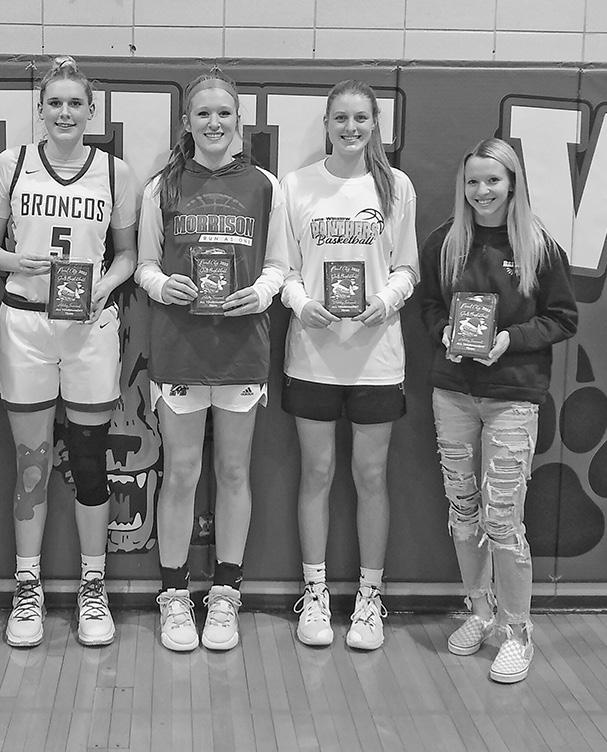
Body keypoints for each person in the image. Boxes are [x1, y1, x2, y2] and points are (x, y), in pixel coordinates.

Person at [0, 56, 137, 648]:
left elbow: (127, 254)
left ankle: (93, 586)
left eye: (75, 103)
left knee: (91, 459)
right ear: (40, 110)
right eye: (55, 103)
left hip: (89, 324)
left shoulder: (115, 172)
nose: (65, 112)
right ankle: (29, 586)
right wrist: (16, 259)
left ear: (92, 111)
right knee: (33, 461)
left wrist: (104, 284)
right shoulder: (13, 163)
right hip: (26, 323)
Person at [136, 67, 291, 652]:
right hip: (179, 347)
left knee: (232, 471)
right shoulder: (161, 187)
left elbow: (279, 264)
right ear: (187, 122)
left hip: (241, 347)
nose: (214, 122)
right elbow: (144, 264)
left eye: (224, 113)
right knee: (180, 472)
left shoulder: (265, 186)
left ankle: (225, 594)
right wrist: (162, 285)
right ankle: (175, 596)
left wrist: (265, 292)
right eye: (203, 113)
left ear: (239, 120)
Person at [420, 137, 577, 683]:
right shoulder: (446, 242)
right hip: (453, 394)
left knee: (503, 519)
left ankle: (516, 632)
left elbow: (563, 317)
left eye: (493, 180)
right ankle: (480, 613)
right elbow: (429, 306)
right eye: (473, 181)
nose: (482, 191)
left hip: (513, 396)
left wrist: (511, 339)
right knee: (463, 510)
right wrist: (444, 333)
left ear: (513, 185)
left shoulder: (539, 246)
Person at [281, 80, 418, 651]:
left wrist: (384, 302)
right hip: (312, 357)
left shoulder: (396, 186)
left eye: (361, 118)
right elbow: (284, 268)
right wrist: (300, 303)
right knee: (316, 474)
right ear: (326, 124)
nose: (351, 127)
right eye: (341, 118)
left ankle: (369, 596)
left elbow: (407, 268)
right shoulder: (297, 185)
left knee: (370, 476)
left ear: (375, 124)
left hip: (376, 359)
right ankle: (314, 592)